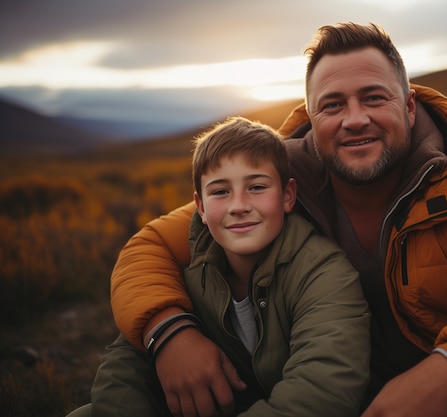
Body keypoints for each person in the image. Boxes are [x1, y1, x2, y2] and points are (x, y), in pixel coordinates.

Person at [98, 22, 447, 417]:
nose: (355, 118)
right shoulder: (275, 185)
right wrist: (169, 333)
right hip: (315, 394)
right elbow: (152, 249)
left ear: (409, 106)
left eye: (374, 97)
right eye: (333, 105)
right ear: (312, 119)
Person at [67, 116, 370, 416]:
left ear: (287, 196)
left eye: (257, 187)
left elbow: (323, 387)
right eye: (221, 191)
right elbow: (124, 368)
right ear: (200, 206)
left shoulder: (322, 271)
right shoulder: (190, 270)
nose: (238, 206)